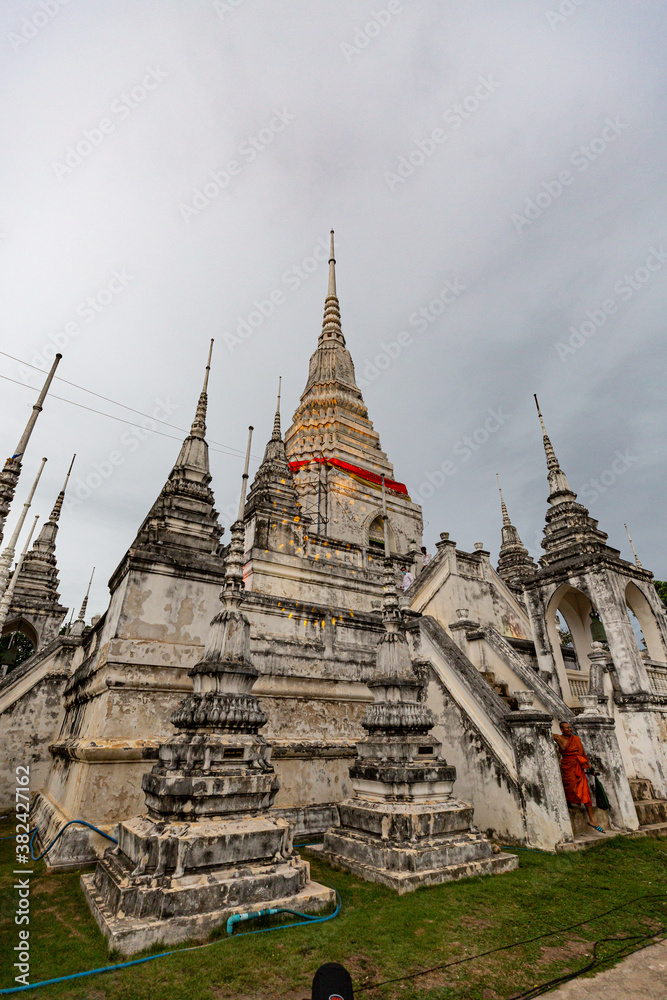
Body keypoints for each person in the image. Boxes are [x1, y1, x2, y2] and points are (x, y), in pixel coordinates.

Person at [554, 721, 604, 832]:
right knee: (569, 787)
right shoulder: (558, 738)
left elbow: (583, 755)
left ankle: (592, 820)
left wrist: (591, 768)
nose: (570, 729)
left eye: (570, 727)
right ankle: (568, 805)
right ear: (561, 730)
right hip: (568, 766)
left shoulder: (576, 739)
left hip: (578, 767)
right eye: (567, 728)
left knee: (585, 792)